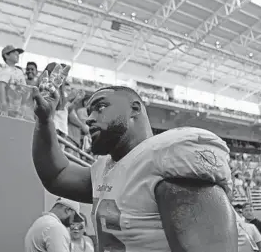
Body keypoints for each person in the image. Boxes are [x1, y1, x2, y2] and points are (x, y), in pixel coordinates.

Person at [32, 83, 237, 252]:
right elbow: (57, 176)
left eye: (101, 107)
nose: (90, 118)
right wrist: (44, 120)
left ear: (135, 109)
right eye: (89, 111)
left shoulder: (169, 159)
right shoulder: (108, 168)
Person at [0, 45, 27, 117]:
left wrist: (23, 104)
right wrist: (3, 104)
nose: (18, 55)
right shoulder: (5, 70)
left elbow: (25, 89)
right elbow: (1, 86)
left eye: (18, 54)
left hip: (17, 109)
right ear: (6, 56)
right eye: (15, 53)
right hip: (6, 109)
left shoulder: (19, 71)